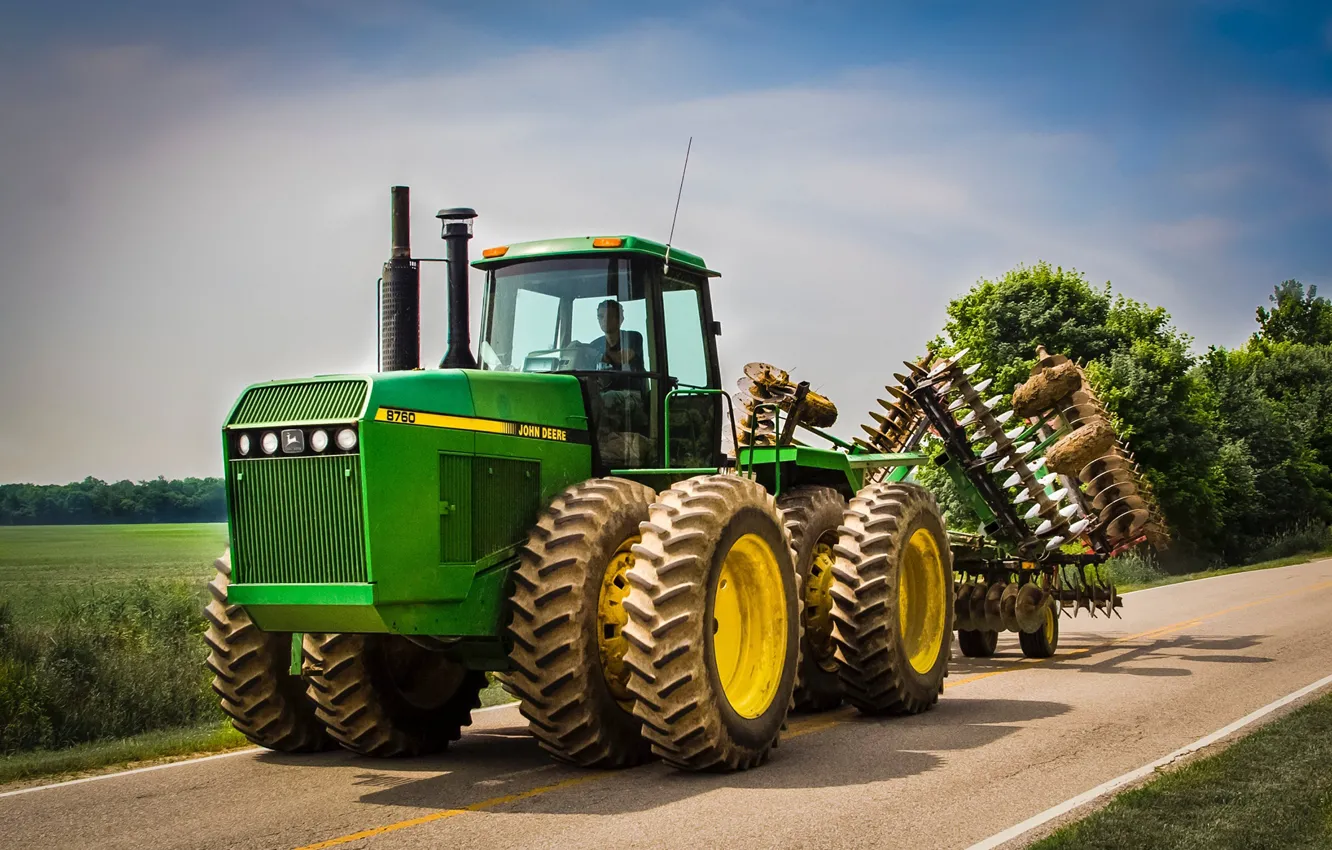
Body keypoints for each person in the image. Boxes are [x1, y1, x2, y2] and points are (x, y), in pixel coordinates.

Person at [589, 299, 645, 372]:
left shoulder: (633, 337)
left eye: (609, 316)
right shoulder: (595, 344)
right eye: (601, 316)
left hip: (631, 383)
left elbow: (622, 358)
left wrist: (600, 354)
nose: (604, 320)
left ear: (620, 319)